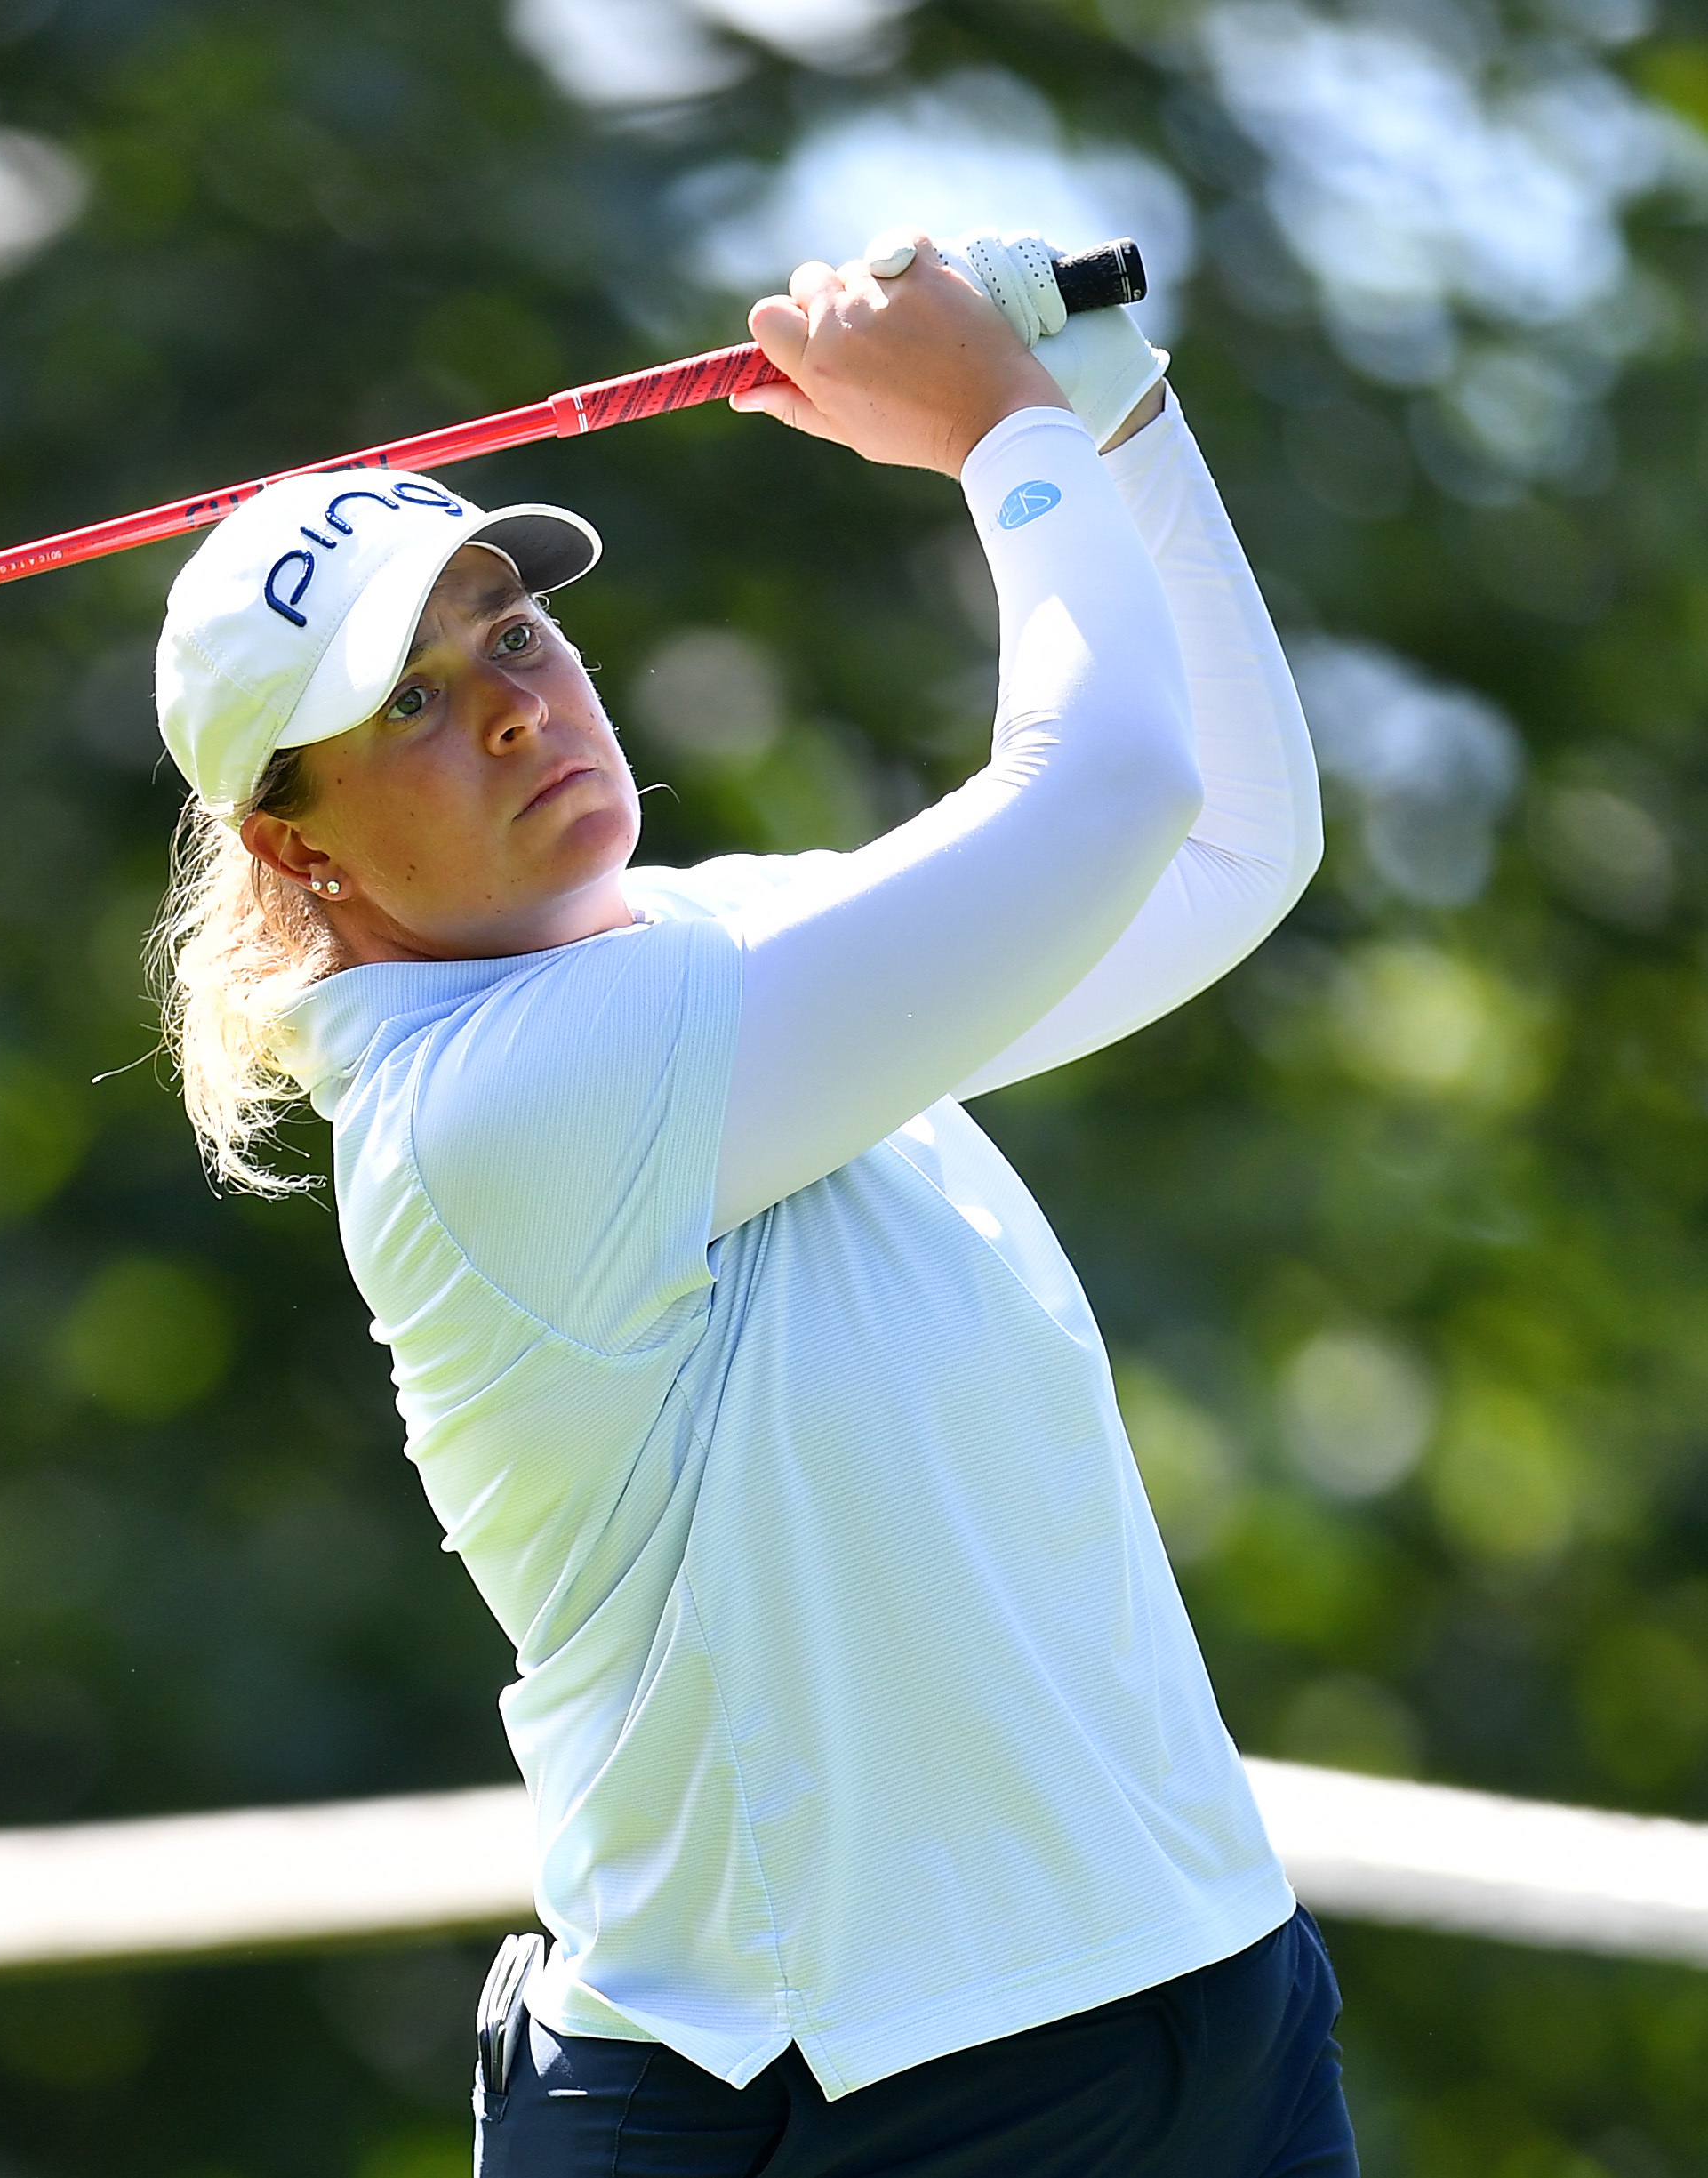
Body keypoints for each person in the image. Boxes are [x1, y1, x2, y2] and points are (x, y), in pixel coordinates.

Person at [140, 229, 1346, 2174]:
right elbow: (1105, 781)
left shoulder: (721, 940)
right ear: (301, 850)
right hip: (833, 2095)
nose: (517, 703)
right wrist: (997, 427)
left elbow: (1219, 837)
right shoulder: (493, 1104)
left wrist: (1112, 403)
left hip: (1199, 1995)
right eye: (417, 706)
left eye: (508, 631)